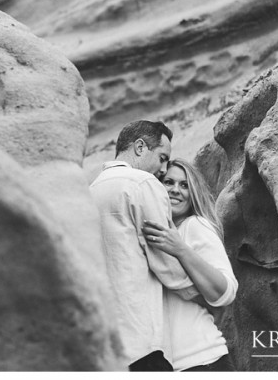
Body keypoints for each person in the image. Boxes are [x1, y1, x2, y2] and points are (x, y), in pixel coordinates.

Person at [90, 120, 200, 371]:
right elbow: (167, 263)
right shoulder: (142, 183)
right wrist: (205, 292)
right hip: (143, 342)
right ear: (140, 147)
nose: (164, 169)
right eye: (162, 157)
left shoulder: (91, 190)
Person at [142, 158, 238, 371]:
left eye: (184, 185)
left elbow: (226, 292)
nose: (176, 190)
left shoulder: (195, 225)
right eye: (169, 182)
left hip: (204, 360)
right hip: (169, 366)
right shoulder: (157, 233)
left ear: (193, 192)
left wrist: (180, 249)